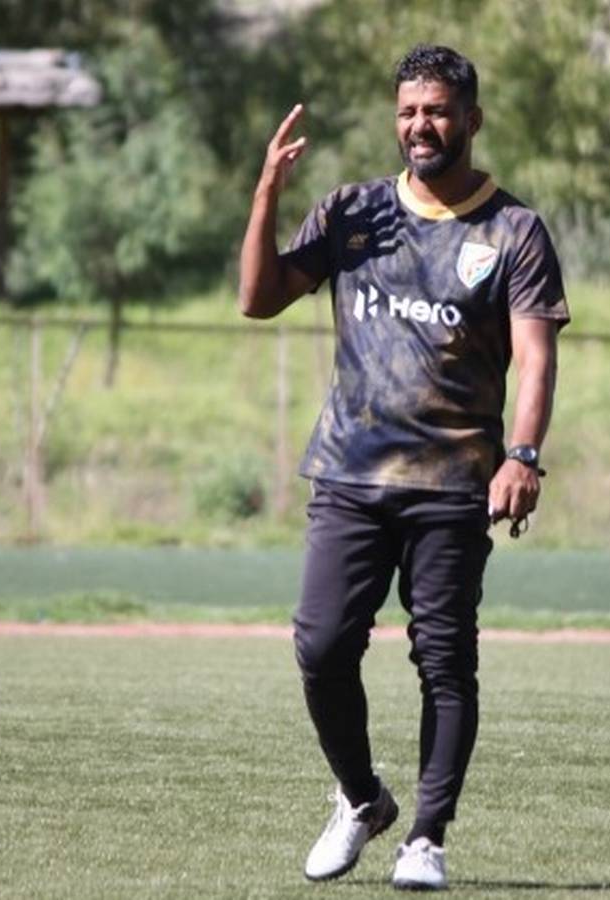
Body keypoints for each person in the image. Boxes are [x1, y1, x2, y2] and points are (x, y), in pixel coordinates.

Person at [237, 43, 569, 891]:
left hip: (454, 482)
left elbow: (536, 359)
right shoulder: (353, 213)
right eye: (409, 111)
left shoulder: (514, 231)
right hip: (350, 476)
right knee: (320, 647)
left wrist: (523, 455)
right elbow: (258, 299)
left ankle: (426, 838)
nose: (421, 125)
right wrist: (267, 192)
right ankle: (361, 799)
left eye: (438, 111)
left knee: (445, 660)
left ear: (471, 118)